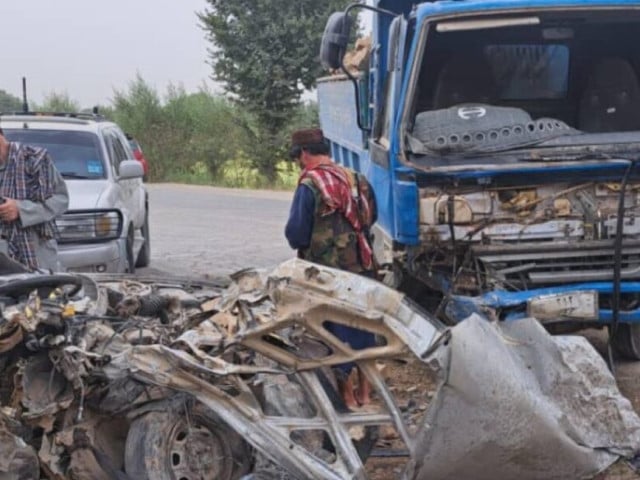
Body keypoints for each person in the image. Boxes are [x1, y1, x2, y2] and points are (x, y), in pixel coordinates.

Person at [285, 127, 378, 409]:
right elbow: (371, 218)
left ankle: (347, 397)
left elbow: (297, 235)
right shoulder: (356, 179)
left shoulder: (310, 185)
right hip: (362, 267)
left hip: (327, 275)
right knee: (363, 326)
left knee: (333, 332)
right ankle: (366, 393)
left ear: (303, 153)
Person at [0, 128, 69, 271]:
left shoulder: (34, 160)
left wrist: (21, 210)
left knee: (45, 292)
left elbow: (61, 200)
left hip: (37, 252)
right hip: (3, 262)